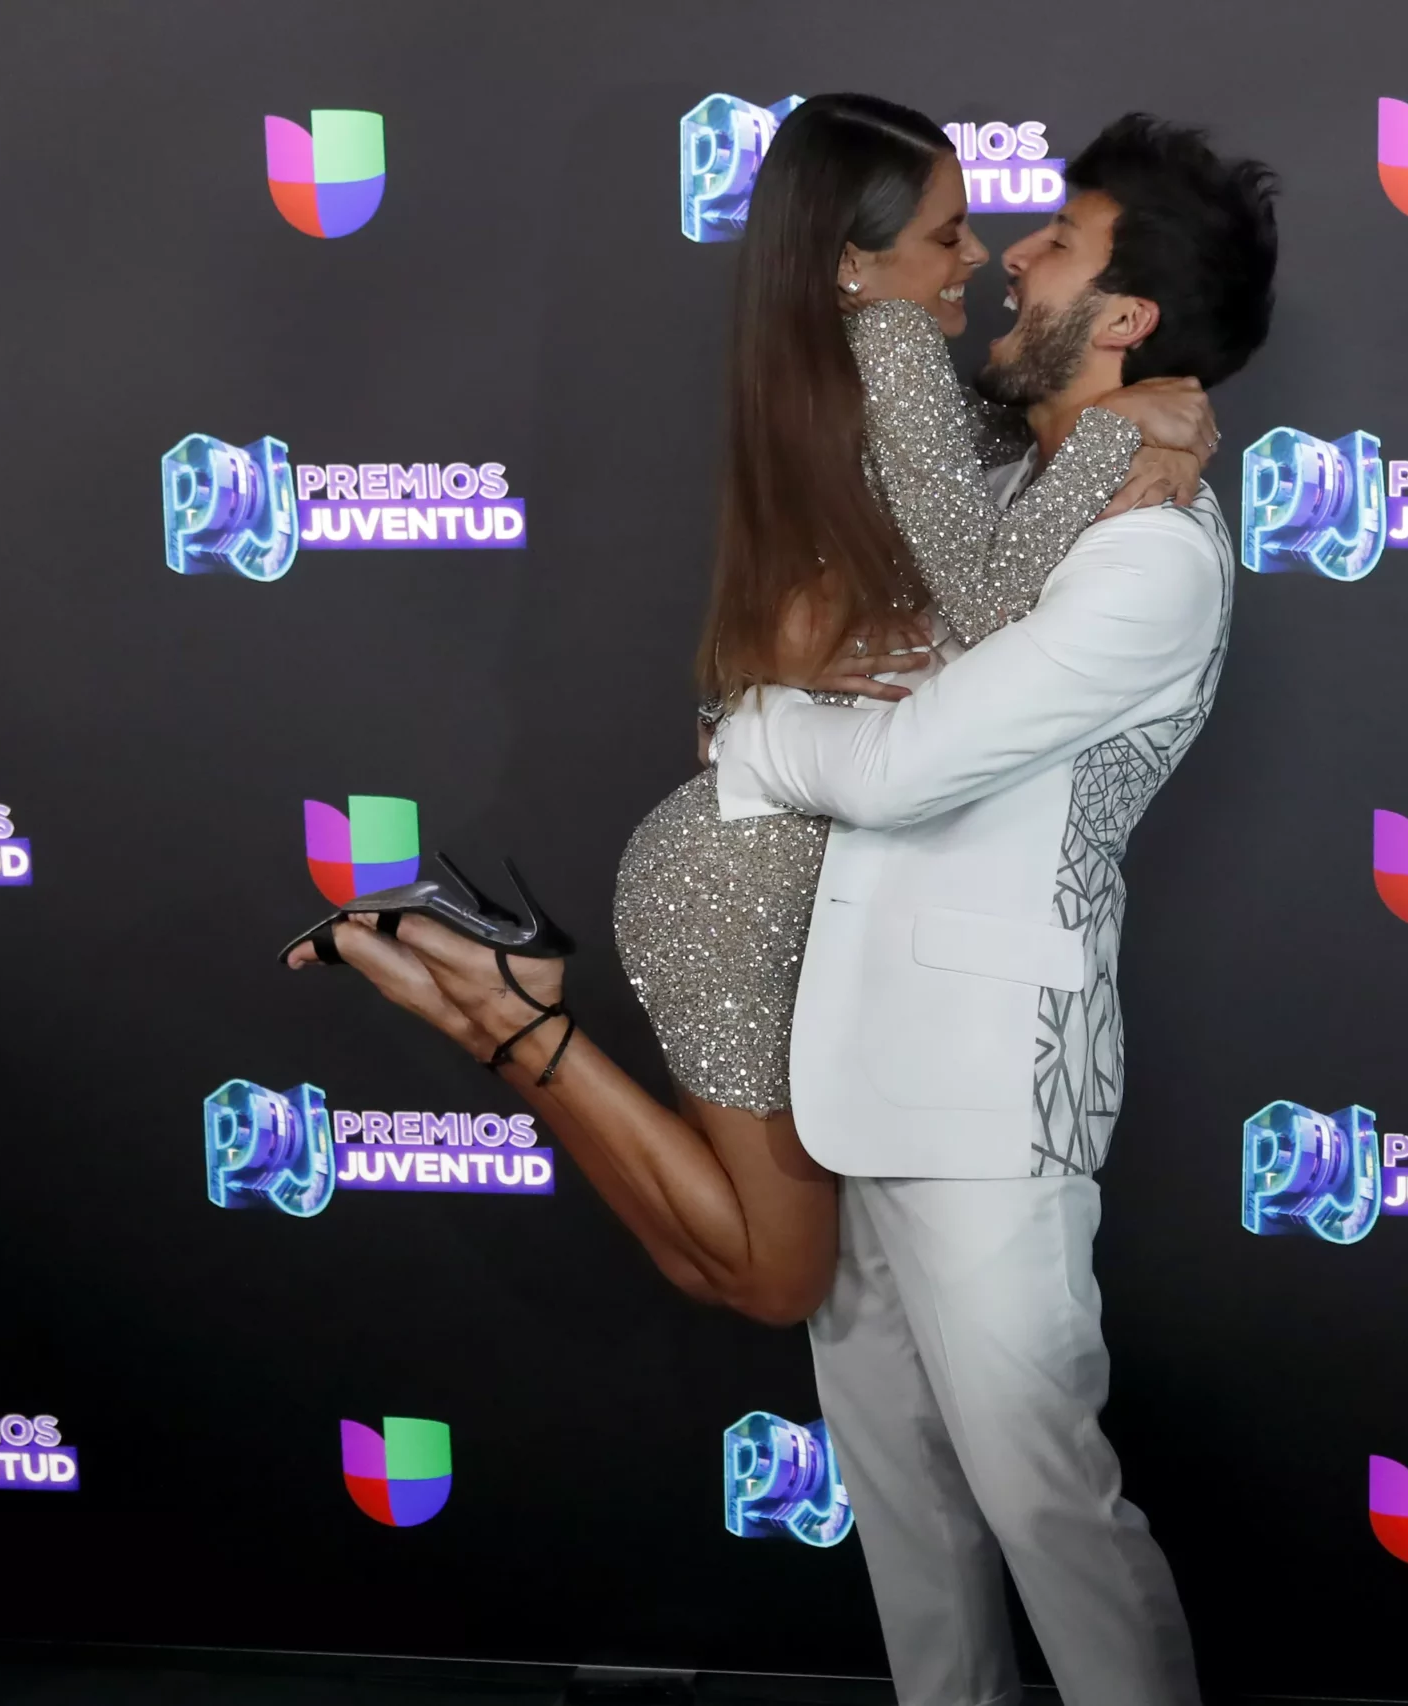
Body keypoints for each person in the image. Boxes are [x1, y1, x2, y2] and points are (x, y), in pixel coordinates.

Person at [305, 111, 1278, 1706]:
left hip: (983, 1082)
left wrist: (753, 732)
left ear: (1124, 319)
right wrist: (1130, 427)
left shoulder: (1152, 561)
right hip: (844, 1040)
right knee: (904, 1499)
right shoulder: (1029, 473)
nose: (1011, 261)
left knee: (1045, 1496)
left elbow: (899, 769)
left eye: (1055, 246)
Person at [284, 91, 1216, 1325]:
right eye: (948, 233)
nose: (981, 255)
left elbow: (929, 543)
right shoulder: (887, 357)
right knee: (774, 1277)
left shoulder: (862, 365)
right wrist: (1122, 430)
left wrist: (1130, 411)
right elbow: (993, 596)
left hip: (770, 873)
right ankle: (505, 1018)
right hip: (745, 887)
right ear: (854, 264)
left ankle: (502, 1007)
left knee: (751, 1266)